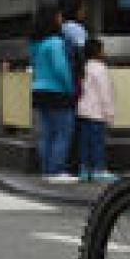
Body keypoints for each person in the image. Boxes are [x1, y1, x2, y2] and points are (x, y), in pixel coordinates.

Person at [29, 9, 79, 184]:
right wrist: (70, 88)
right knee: (63, 132)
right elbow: (61, 68)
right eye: (58, 16)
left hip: (38, 91)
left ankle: (47, 170)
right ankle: (57, 170)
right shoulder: (56, 42)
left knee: (47, 133)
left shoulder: (36, 44)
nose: (61, 19)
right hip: (57, 92)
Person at [76, 38, 116, 183]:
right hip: (96, 112)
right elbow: (105, 93)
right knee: (98, 143)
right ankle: (99, 170)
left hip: (83, 111)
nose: (105, 52)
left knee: (85, 143)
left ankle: (84, 170)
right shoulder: (100, 68)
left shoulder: (85, 66)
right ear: (98, 52)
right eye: (102, 49)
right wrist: (110, 114)